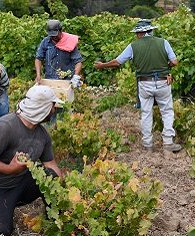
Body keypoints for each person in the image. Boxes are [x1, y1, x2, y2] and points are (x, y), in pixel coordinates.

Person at [0, 85, 63, 236]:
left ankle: (55, 220)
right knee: (1, 234)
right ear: (43, 108)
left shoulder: (42, 135)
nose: (54, 110)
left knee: (51, 175)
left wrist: (64, 195)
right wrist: (10, 169)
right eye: (52, 106)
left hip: (22, 185)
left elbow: (51, 166)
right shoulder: (5, 126)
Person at [94, 19, 182, 153]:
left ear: (140, 32)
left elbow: (118, 62)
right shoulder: (163, 42)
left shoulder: (133, 46)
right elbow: (174, 62)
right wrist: (165, 66)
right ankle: (168, 143)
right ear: (150, 30)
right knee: (167, 111)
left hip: (144, 82)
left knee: (146, 113)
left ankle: (147, 144)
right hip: (163, 81)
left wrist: (102, 65)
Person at [35, 19, 83, 86]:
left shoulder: (69, 42)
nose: (54, 37)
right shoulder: (45, 42)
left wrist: (76, 76)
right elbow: (38, 59)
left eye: (55, 35)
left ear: (61, 31)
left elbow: (78, 61)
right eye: (51, 35)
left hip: (67, 81)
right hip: (50, 79)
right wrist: (38, 75)